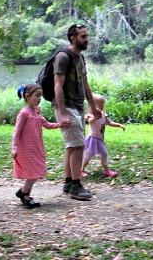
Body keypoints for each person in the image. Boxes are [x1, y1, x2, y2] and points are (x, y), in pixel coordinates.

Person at [53, 23, 102, 201]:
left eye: (87, 36)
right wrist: (62, 111)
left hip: (78, 105)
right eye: (83, 36)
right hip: (66, 106)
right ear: (73, 38)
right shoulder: (63, 57)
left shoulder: (80, 58)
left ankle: (68, 183)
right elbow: (57, 85)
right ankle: (76, 185)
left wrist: (93, 105)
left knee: (72, 145)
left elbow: (85, 84)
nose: (86, 39)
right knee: (78, 145)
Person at [12, 84, 69, 208]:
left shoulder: (36, 112)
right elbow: (16, 132)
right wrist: (14, 148)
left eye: (40, 96)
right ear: (27, 96)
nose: (39, 99)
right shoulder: (24, 113)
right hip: (26, 149)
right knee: (33, 174)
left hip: (37, 147)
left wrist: (60, 124)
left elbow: (47, 125)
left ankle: (23, 192)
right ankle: (25, 195)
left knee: (37, 171)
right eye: (37, 96)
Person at [81, 93, 125, 178]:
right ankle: (81, 170)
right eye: (99, 105)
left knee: (104, 153)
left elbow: (110, 123)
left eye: (102, 105)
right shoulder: (91, 115)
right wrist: (96, 117)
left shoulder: (103, 115)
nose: (101, 107)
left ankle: (106, 171)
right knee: (89, 155)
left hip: (100, 139)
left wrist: (119, 125)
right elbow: (91, 121)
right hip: (93, 139)